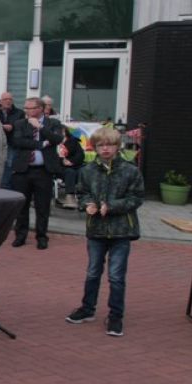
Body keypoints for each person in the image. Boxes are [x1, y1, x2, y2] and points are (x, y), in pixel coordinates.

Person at [65, 127, 144, 337]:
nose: (105, 149)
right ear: (95, 147)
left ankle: (115, 315)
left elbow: (137, 198)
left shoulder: (130, 170)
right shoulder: (88, 170)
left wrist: (112, 206)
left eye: (109, 145)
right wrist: (87, 204)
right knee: (92, 272)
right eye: (101, 145)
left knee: (116, 276)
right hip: (96, 230)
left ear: (117, 146)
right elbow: (81, 192)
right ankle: (87, 309)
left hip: (121, 231)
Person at [10, 96, 71, 249]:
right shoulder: (20, 123)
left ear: (40, 109)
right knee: (21, 205)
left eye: (30, 108)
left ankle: (42, 236)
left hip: (44, 170)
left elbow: (57, 139)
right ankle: (20, 235)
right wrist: (42, 143)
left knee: (42, 206)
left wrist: (40, 127)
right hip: (23, 170)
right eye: (26, 108)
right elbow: (18, 142)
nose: (27, 111)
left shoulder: (53, 123)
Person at [0, 91, 24, 189]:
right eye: (5, 99)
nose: (8, 101)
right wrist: (1, 126)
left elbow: (21, 126)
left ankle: (5, 186)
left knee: (9, 164)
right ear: (0, 101)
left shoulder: (19, 113)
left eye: (10, 99)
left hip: (11, 143)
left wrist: (12, 126)